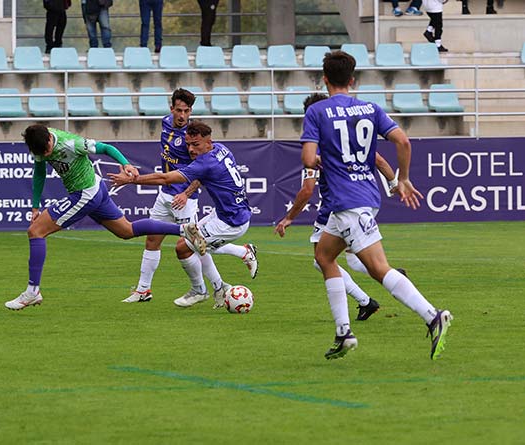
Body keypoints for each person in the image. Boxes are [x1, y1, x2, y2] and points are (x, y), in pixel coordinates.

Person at [301, 51, 452, 360]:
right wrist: (403, 179)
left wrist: (323, 159)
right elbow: (403, 142)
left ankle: (432, 315)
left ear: (324, 78)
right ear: (352, 80)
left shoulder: (317, 111)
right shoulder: (371, 108)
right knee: (324, 256)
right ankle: (343, 332)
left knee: (378, 268)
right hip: (366, 195)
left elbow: (307, 160)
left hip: (346, 202)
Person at [5, 125, 207, 311]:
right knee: (126, 231)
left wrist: (126, 164)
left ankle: (32, 291)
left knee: (35, 232)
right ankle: (184, 230)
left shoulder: (71, 143)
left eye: (48, 149)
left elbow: (106, 148)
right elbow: (39, 173)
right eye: (42, 153)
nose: (46, 154)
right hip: (96, 190)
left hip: (84, 194)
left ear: (50, 138)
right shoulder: (38, 143)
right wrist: (34, 206)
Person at [276, 92, 413, 321]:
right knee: (352, 258)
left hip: (337, 205)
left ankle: (367, 301)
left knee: (322, 260)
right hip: (365, 197)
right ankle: (378, 288)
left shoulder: (319, 144)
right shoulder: (344, 135)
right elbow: (378, 159)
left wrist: (289, 217)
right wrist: (393, 183)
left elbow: (308, 189)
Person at [125, 89, 258, 307]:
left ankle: (215, 286)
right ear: (171, 109)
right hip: (167, 195)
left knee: (191, 245)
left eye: (187, 111)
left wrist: (186, 194)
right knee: (155, 239)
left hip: (184, 198)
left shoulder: (196, 142)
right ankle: (143, 289)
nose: (182, 116)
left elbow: (199, 174)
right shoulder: (169, 125)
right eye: (179, 110)